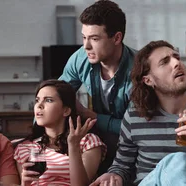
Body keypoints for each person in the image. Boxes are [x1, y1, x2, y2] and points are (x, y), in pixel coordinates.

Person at [92, 40, 186, 186]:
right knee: (179, 161)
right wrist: (113, 175)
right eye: (165, 62)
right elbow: (122, 165)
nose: (176, 63)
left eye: (176, 57)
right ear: (148, 80)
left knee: (182, 163)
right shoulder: (135, 117)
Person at [57, 0, 136, 173]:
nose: (86, 46)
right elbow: (55, 95)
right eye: (84, 37)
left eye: (94, 38)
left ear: (117, 38)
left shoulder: (139, 70)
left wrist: (91, 116)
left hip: (133, 145)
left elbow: (136, 128)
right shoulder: (80, 58)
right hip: (98, 140)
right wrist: (37, 138)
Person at [15, 80, 106, 186]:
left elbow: (81, 185)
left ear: (66, 110)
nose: (39, 105)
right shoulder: (25, 148)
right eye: (37, 100)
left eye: (48, 100)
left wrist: (73, 145)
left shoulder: (88, 141)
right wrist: (24, 184)